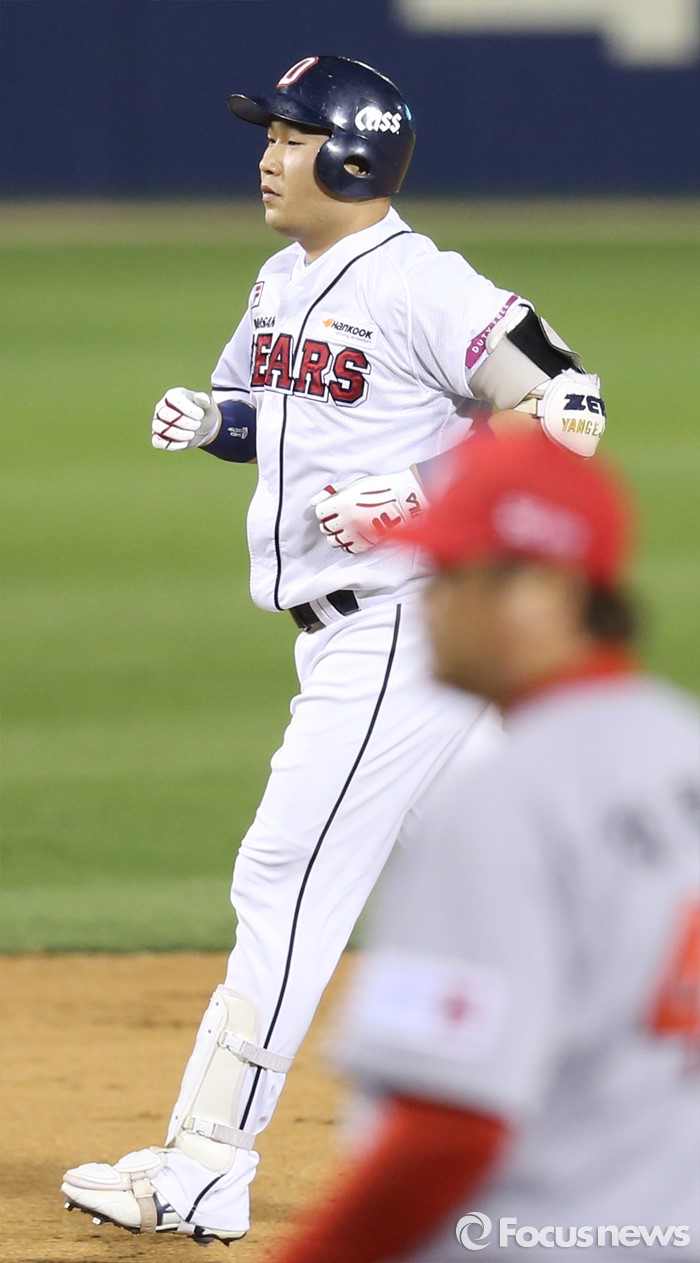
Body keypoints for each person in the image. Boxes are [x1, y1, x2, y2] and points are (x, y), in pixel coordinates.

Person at [61, 56, 606, 1245]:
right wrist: (214, 420)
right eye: (267, 134)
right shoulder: (281, 280)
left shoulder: (423, 284)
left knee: (285, 875)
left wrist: (420, 491)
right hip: (362, 633)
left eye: (290, 136)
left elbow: (569, 408)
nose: (266, 156)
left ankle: (204, 1167)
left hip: (403, 625)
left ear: (353, 157)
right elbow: (274, 415)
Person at [268, 431, 699, 1263]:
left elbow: (447, 1129)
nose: (428, 603)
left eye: (448, 574)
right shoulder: (680, 747)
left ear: (546, 589)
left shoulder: (503, 801)